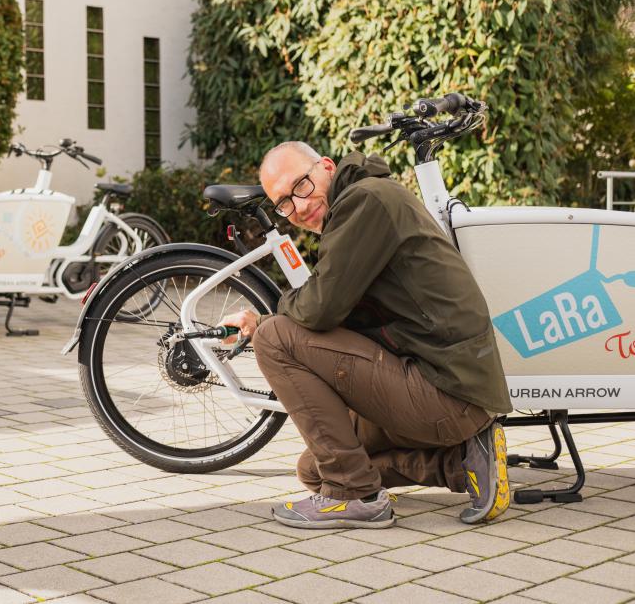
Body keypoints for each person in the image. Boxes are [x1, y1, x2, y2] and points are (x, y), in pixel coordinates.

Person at [218, 141, 512, 529]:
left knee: (275, 338)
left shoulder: (365, 202)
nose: (300, 207)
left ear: (326, 166)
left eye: (301, 186)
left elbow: (321, 307)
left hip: (446, 390)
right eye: (284, 203)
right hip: (446, 388)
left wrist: (267, 321)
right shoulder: (364, 200)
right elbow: (337, 314)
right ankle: (461, 464)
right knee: (314, 470)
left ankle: (355, 495)